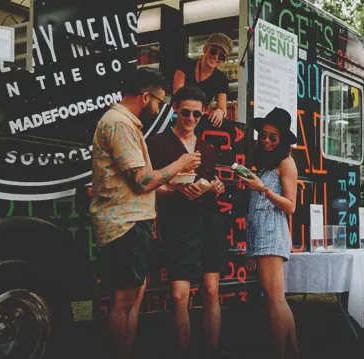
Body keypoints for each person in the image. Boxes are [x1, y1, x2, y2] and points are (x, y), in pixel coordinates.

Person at [90, 68, 202, 359]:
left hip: (132, 221)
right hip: (124, 224)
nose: (159, 110)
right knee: (124, 299)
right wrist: (180, 165)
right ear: (144, 96)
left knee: (131, 297)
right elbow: (141, 181)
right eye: (159, 102)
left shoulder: (124, 123)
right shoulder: (118, 124)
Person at [146, 86, 229, 359]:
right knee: (180, 295)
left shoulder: (208, 148)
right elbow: (147, 185)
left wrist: (215, 187)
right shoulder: (158, 143)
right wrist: (175, 189)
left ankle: (212, 351)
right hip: (178, 224)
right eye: (185, 112)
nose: (190, 118)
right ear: (175, 109)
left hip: (210, 221)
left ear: (203, 113)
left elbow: (214, 179)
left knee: (210, 290)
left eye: (196, 113)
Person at [240, 107, 299, 359]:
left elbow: (290, 205)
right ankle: (293, 352)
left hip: (272, 233)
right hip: (261, 234)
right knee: (277, 300)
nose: (266, 141)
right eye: (263, 135)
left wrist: (263, 189)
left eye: (272, 137)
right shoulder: (266, 162)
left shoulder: (286, 162)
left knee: (275, 300)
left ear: (282, 140)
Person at [173, 32, 233, 128]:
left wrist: (220, 112)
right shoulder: (185, 64)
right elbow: (177, 92)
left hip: (196, 122)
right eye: (213, 51)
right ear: (205, 49)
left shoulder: (221, 79)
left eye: (221, 56)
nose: (216, 57)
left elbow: (222, 109)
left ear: (224, 60)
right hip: (176, 117)